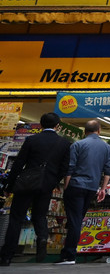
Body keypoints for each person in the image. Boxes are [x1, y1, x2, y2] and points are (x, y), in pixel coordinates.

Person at [0, 113, 71, 266]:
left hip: (26, 184)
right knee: (39, 215)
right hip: (46, 186)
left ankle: (7, 255)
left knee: (16, 218)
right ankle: (43, 237)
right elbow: (64, 169)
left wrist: (9, 185)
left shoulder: (31, 140)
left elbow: (19, 164)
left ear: (40, 125)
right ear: (57, 126)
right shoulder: (64, 143)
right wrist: (52, 182)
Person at [56, 119, 110, 265]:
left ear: (84, 131)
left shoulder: (78, 144)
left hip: (76, 185)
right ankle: (68, 252)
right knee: (78, 219)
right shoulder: (107, 148)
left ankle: (69, 254)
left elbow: (70, 168)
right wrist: (103, 189)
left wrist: (67, 187)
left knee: (74, 220)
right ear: (99, 130)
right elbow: (108, 170)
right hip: (92, 188)